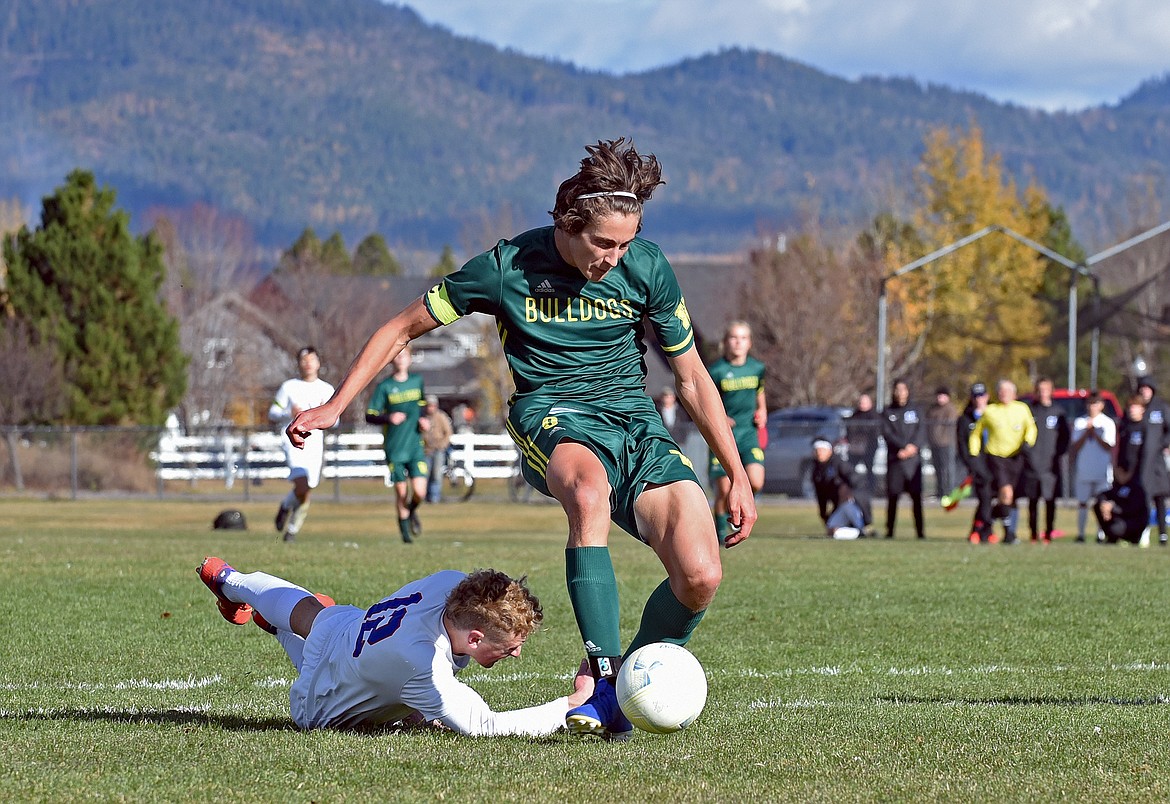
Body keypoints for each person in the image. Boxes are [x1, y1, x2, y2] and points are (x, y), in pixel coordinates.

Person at [285, 138, 757, 741]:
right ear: (568, 222)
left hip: (634, 422)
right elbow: (402, 327)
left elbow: (690, 375)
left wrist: (736, 473)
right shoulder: (506, 267)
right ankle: (608, 688)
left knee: (700, 576)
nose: (615, 257)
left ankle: (616, 684)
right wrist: (335, 404)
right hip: (553, 416)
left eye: (626, 244)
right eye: (603, 243)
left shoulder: (648, 267)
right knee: (587, 494)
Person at [196, 557, 594, 735]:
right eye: (509, 647)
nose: (517, 654)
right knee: (306, 646)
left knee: (311, 614)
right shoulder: (424, 667)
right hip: (319, 706)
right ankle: (275, 627)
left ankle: (229, 579)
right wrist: (573, 704)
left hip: (350, 629)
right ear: (474, 638)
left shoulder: (452, 583)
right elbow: (487, 727)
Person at [707, 320, 767, 545]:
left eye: (743, 338)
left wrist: (762, 410)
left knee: (757, 481)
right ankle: (720, 529)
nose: (738, 342)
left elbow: (760, 393)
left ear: (749, 343)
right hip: (725, 435)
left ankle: (739, 506)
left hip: (748, 433)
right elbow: (708, 401)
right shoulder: (717, 371)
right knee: (723, 488)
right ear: (726, 342)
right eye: (734, 337)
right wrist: (720, 417)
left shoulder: (757, 368)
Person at [268, 346, 336, 542]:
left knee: (306, 490)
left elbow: (336, 420)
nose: (308, 363)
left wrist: (325, 414)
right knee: (302, 484)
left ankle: (287, 511)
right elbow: (273, 412)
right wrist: (288, 414)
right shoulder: (289, 387)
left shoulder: (326, 389)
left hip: (315, 444)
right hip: (293, 441)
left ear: (318, 363)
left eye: (311, 359)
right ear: (299, 363)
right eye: (304, 359)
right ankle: (291, 532)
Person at [366, 346, 429, 543]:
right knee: (401, 492)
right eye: (397, 356)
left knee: (420, 492)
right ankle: (406, 536)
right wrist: (388, 417)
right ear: (392, 360)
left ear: (410, 359)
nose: (401, 359)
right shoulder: (384, 386)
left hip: (415, 445)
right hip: (395, 448)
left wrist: (424, 419)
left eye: (404, 356)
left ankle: (410, 512)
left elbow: (422, 405)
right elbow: (370, 415)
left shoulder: (417, 381)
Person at [968, 379, 1037, 545]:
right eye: (1001, 391)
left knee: (1009, 498)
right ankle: (1009, 534)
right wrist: (974, 453)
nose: (1004, 394)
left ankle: (990, 518)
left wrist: (1028, 441)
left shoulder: (1022, 409)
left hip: (1016, 457)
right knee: (1006, 493)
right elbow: (976, 432)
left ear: (1014, 394)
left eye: (1007, 391)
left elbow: (1031, 428)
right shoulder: (990, 411)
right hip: (996, 457)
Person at [1022, 377, 1070, 543]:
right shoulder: (1030, 411)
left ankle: (1048, 532)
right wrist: (1028, 454)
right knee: (1033, 500)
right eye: (1039, 390)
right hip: (1032, 463)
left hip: (1050, 465)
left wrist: (1058, 455)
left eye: (1046, 389)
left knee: (1050, 500)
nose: (1042, 393)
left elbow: (1065, 438)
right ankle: (1033, 533)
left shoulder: (1058, 412)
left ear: (1051, 391)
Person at [882, 378, 926, 539]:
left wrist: (912, 447)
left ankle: (920, 533)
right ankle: (890, 531)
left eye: (903, 389)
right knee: (893, 496)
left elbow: (921, 431)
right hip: (896, 460)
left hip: (913, 462)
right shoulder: (888, 412)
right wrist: (901, 447)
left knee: (916, 497)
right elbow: (887, 433)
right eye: (897, 390)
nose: (900, 393)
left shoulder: (916, 410)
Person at [1070, 393, 1116, 543]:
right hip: (1084, 469)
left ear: (1101, 405)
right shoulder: (1080, 422)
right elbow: (1075, 446)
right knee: (1083, 503)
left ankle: (1101, 534)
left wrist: (1095, 433)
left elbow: (1108, 446)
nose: (1092, 407)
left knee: (1102, 503)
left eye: (1095, 403)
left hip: (1102, 470)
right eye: (1090, 403)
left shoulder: (1107, 423)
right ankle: (1081, 533)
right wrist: (1086, 432)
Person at [956, 383, 994, 543]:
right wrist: (971, 465)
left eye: (982, 396)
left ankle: (979, 529)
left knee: (990, 498)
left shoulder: (994, 414)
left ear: (987, 397)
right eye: (976, 397)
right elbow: (962, 445)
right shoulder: (965, 419)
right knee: (985, 497)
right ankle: (985, 531)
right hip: (977, 463)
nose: (979, 400)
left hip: (994, 461)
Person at [1134, 377, 1170, 546]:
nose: (1144, 391)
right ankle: (1143, 533)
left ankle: (1163, 534)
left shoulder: (1161, 407)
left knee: (1160, 496)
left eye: (1147, 388)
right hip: (1141, 461)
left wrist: (1164, 444)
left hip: (1157, 461)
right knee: (1143, 497)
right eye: (1142, 388)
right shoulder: (1139, 408)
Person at [811, 438, 870, 538]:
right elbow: (820, 495)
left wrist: (850, 493)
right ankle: (859, 533)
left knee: (853, 514)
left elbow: (857, 480)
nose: (819, 453)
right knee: (831, 531)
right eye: (817, 451)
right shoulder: (817, 472)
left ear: (829, 451)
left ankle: (862, 529)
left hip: (852, 503)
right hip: (840, 506)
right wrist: (824, 514)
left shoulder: (838, 464)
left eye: (822, 450)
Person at [1093, 476, 1150, 546]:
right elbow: (1103, 495)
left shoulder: (1136, 488)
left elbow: (1131, 509)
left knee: (1115, 529)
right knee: (1097, 506)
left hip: (1132, 524)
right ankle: (1112, 538)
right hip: (1120, 520)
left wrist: (1113, 508)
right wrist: (1104, 505)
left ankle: (1134, 539)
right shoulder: (1118, 486)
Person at [925, 386, 958, 499]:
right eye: (938, 396)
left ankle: (950, 492)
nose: (940, 398)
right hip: (934, 443)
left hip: (947, 443)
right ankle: (940, 491)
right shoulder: (932, 409)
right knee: (938, 468)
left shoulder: (950, 409)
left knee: (948, 469)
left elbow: (951, 425)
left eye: (942, 396)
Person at [422, 395, 455, 503]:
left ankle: (434, 497)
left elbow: (448, 432)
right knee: (425, 474)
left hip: (438, 450)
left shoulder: (441, 417)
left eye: (432, 405)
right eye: (428, 405)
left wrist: (443, 445)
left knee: (436, 474)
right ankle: (425, 496)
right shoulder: (423, 417)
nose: (430, 408)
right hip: (426, 450)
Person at [847, 393, 880, 493]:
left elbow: (875, 431)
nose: (862, 404)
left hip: (869, 446)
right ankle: (849, 488)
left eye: (864, 402)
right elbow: (850, 429)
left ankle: (871, 490)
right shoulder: (855, 415)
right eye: (860, 402)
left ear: (870, 403)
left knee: (869, 468)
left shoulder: (874, 415)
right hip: (855, 446)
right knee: (850, 468)